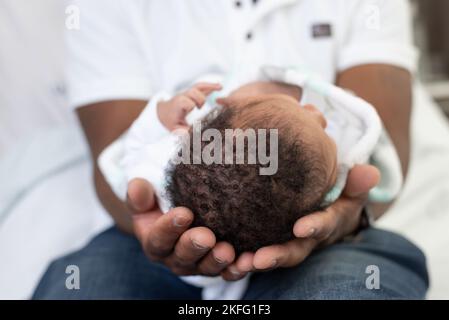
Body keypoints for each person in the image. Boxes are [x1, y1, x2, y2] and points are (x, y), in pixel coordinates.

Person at [33, 0, 429, 299]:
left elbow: (380, 144)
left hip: (330, 240)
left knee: (350, 290)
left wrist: (342, 209)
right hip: (141, 243)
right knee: (85, 288)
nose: (312, 107)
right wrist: (160, 127)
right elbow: (119, 159)